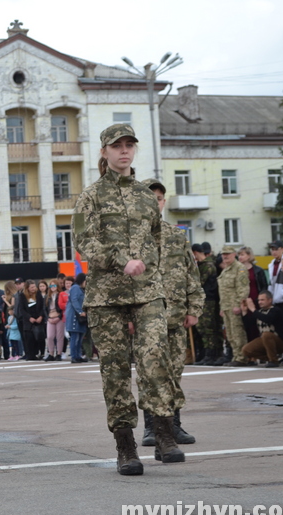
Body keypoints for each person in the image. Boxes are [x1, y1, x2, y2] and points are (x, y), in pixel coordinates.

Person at [73, 124, 183, 477]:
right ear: (103, 152)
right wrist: (122, 261)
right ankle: (125, 446)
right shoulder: (89, 197)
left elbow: (157, 239)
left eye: (129, 145)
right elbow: (83, 242)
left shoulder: (146, 195)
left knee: (155, 359)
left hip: (148, 291)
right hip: (107, 296)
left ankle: (164, 434)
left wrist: (154, 272)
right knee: (116, 371)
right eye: (116, 146)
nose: (124, 151)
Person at [141, 179, 204, 447]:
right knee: (149, 374)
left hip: (176, 318)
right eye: (150, 198)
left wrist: (194, 309)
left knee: (174, 373)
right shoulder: (134, 239)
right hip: (145, 320)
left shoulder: (177, 236)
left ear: (164, 202)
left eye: (159, 198)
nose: (156, 202)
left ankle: (173, 425)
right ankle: (151, 428)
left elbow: (192, 276)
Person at [217, 246, 250, 366]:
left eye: (228, 254)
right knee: (230, 335)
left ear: (234, 254)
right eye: (223, 254)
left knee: (237, 333)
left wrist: (238, 305)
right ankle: (236, 356)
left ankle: (241, 357)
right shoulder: (226, 269)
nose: (225, 256)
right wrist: (222, 307)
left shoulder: (239, 269)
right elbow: (223, 291)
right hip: (226, 306)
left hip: (234, 306)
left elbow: (243, 289)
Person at [239, 291, 283, 367]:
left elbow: (267, 319)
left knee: (266, 335)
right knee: (246, 350)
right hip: (265, 340)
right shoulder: (259, 312)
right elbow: (249, 325)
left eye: (262, 300)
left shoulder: (276, 310)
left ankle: (273, 361)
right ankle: (271, 358)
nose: (260, 302)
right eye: (259, 300)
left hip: (279, 341)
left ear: (270, 300)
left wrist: (253, 310)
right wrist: (244, 311)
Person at [192, 243, 223, 366]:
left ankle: (212, 353)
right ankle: (205, 353)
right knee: (201, 328)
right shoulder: (201, 265)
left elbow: (199, 283)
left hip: (208, 300)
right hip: (202, 300)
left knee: (208, 328)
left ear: (195, 253)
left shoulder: (208, 265)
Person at [18, 280, 45, 361]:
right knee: (29, 338)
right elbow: (22, 309)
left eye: (34, 287)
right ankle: (30, 354)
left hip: (38, 319)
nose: (34, 288)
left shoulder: (38, 294)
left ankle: (38, 353)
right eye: (32, 287)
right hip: (28, 320)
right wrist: (29, 317)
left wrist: (41, 316)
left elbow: (42, 307)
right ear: (27, 288)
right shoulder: (22, 296)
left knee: (38, 337)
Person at [65, 274, 88, 364]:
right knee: (75, 337)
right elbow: (74, 300)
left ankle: (78, 356)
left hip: (80, 317)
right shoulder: (75, 288)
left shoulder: (81, 289)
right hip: (75, 316)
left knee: (80, 337)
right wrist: (80, 311)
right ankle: (74, 356)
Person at [44, 279, 63, 361]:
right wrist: (47, 318)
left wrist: (59, 317)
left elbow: (63, 307)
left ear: (57, 286)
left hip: (59, 317)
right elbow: (44, 309)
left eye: (54, 285)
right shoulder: (47, 296)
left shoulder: (61, 295)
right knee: (50, 336)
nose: (52, 287)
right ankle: (51, 353)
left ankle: (59, 354)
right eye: (51, 285)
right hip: (50, 317)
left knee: (59, 336)